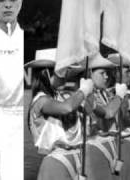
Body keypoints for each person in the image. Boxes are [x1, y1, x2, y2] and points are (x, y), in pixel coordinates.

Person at [25, 51, 94, 180]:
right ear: (46, 73)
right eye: (61, 72)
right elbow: (66, 108)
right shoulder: (41, 100)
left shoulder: (60, 96)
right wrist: (83, 91)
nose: (65, 76)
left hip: (76, 158)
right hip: (56, 161)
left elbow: (90, 114)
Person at [0, 0, 23, 179]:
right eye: (2, 0)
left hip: (18, 121)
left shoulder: (21, 35)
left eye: (12, 0)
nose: (7, 5)